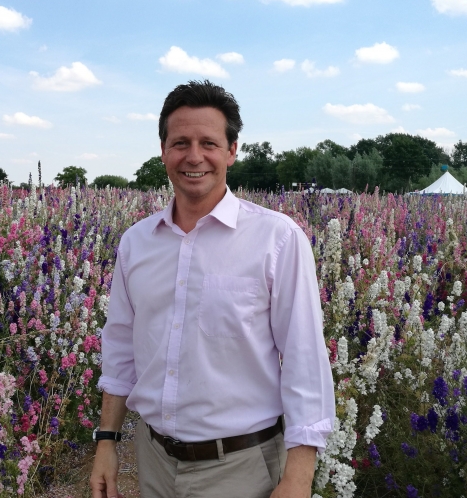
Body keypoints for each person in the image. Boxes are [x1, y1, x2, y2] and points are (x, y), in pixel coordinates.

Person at [90, 80, 335, 498]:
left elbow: (304, 360)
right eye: (180, 142)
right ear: (163, 151)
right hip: (153, 460)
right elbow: (120, 350)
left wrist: (299, 476)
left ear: (232, 151)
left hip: (242, 468)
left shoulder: (277, 239)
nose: (194, 156)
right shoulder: (136, 242)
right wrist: (106, 442)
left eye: (209, 142)